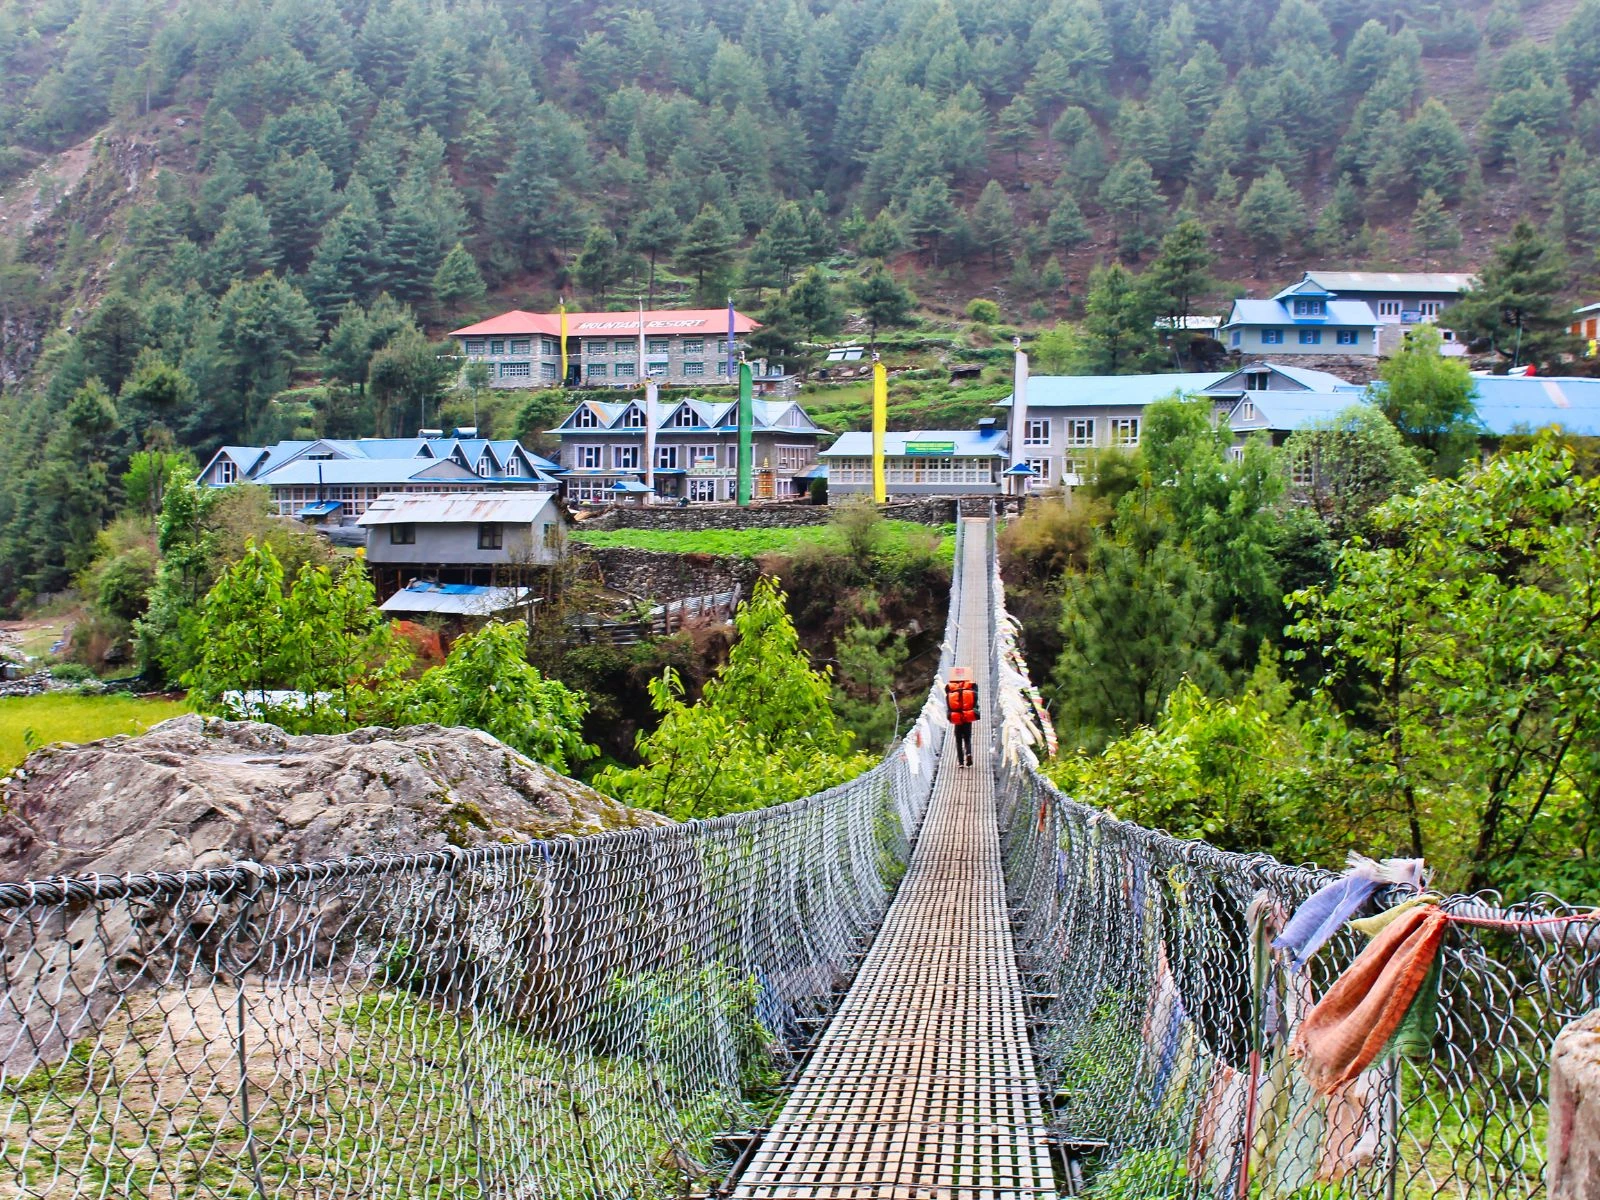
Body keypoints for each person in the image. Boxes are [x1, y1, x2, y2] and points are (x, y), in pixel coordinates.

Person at [945, 667, 979, 767]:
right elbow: (976, 697)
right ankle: (968, 753)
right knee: (967, 738)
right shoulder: (971, 685)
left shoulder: (951, 687)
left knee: (958, 740)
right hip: (967, 715)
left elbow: (947, 696)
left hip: (957, 716)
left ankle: (960, 762)